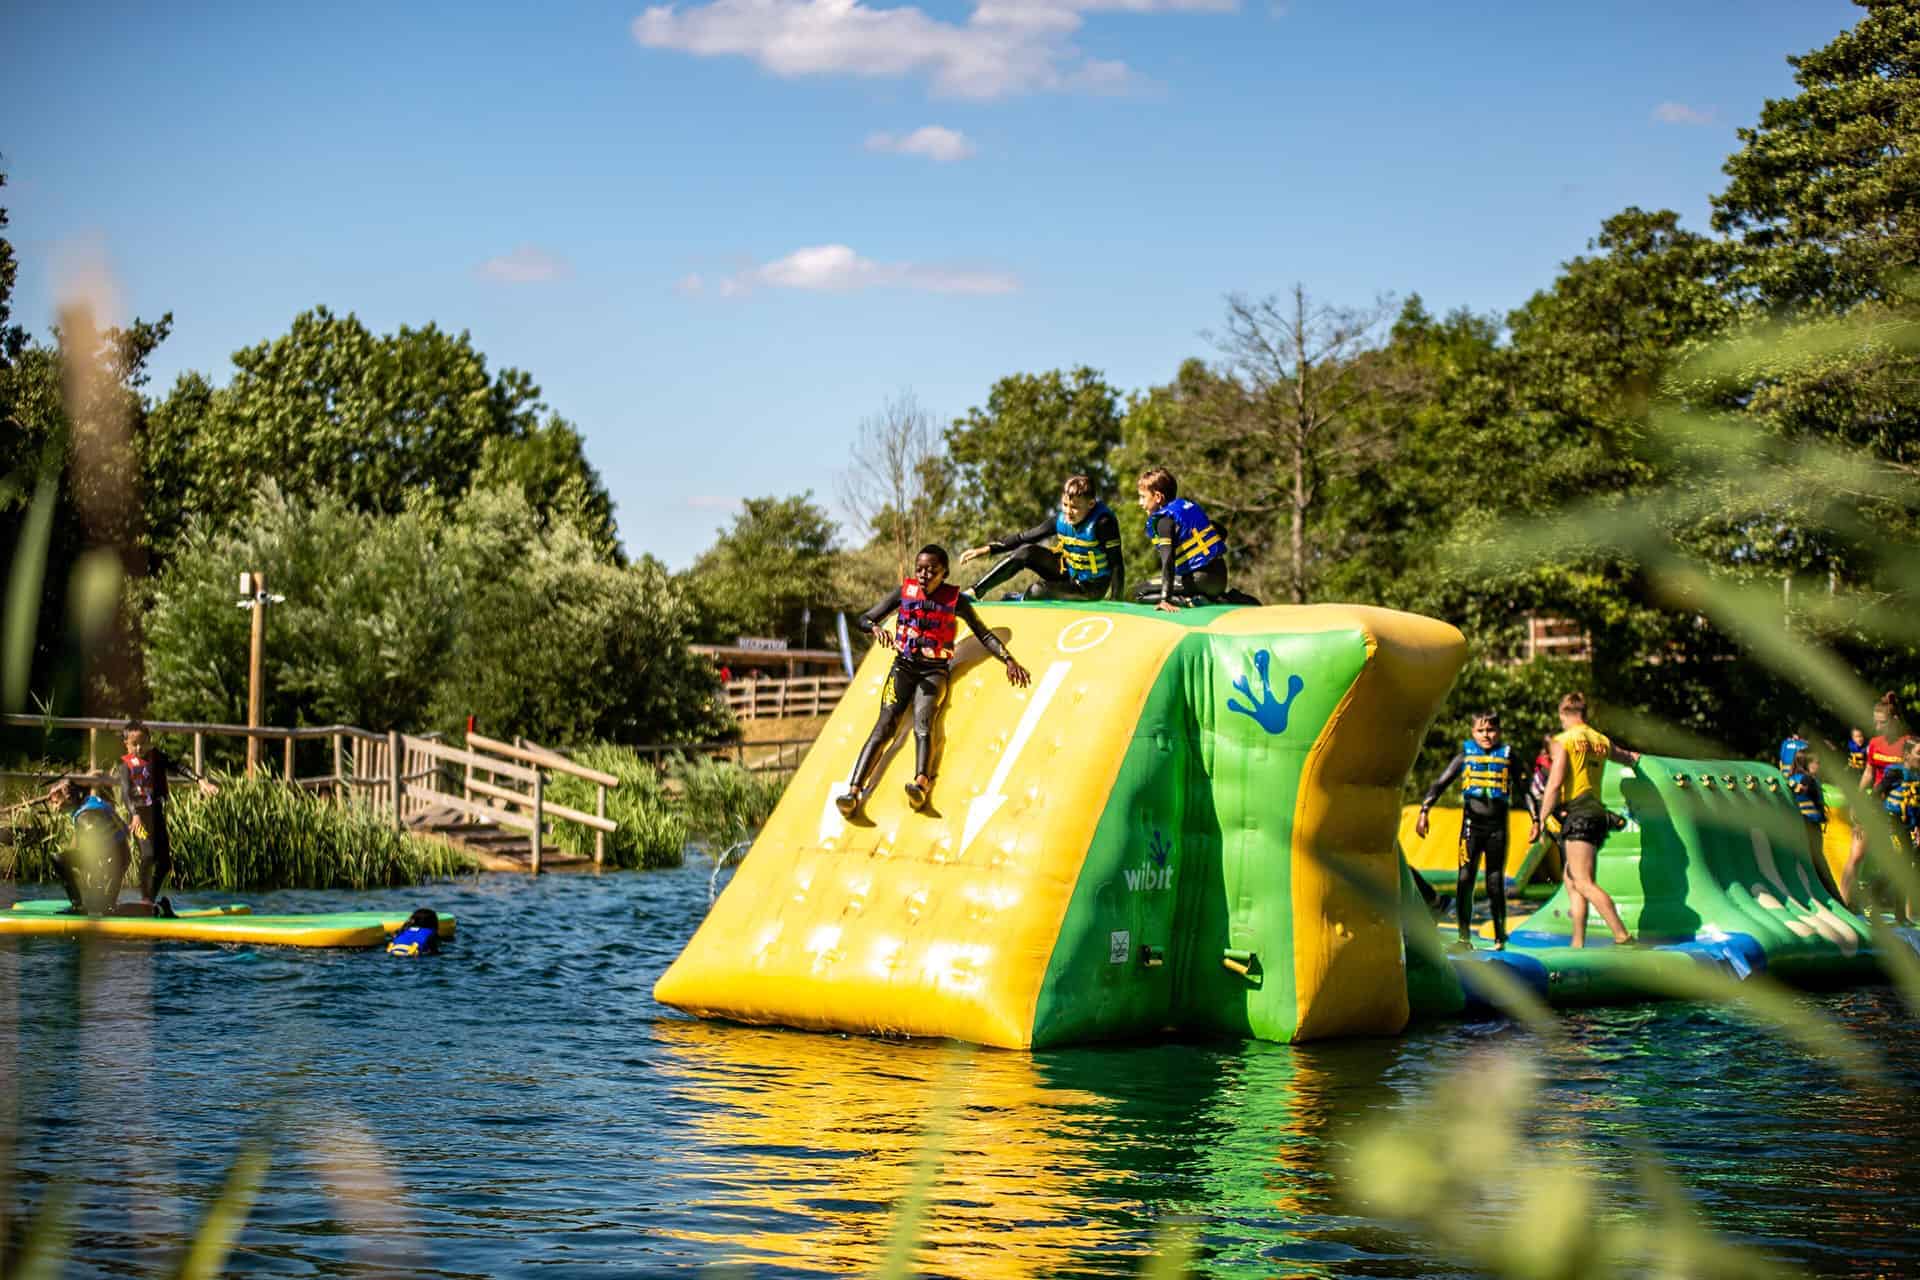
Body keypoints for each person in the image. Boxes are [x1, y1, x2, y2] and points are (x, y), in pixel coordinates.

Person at [837, 546, 1032, 816]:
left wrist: (1008, 660)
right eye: (920, 569)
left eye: (932, 570)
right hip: (903, 668)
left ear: (944, 573)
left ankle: (921, 784)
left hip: (934, 672)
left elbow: (984, 634)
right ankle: (853, 792)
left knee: (924, 723)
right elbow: (864, 618)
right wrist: (874, 628)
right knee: (884, 726)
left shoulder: (956, 601)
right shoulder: (903, 593)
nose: (924, 574)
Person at [1531, 692, 1642, 948]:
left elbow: (1555, 782)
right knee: (1572, 880)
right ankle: (1578, 942)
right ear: (1584, 714)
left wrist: (1541, 818)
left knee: (1583, 881)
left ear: (1562, 714)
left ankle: (1622, 936)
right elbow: (1626, 756)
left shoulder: (1564, 740)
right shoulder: (1599, 739)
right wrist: (1639, 759)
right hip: (1596, 814)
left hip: (1579, 813)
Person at [1415, 711, 1533, 951]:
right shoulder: (1465, 756)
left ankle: (1500, 938)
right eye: (1481, 730)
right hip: (1471, 827)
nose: (1486, 735)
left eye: (1491, 730)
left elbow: (1526, 789)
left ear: (1499, 731)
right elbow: (1440, 783)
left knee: (1494, 882)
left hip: (1497, 828)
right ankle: (1463, 938)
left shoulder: (1510, 757)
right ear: (1472, 733)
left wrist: (1537, 819)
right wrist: (1424, 810)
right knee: (1465, 879)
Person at [957, 474, 1126, 602]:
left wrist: (1115, 602)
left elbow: (1117, 564)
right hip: (1069, 573)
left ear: (1091, 504)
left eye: (1075, 507)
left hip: (1092, 587)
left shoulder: (1104, 523)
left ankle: (1021, 599)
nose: (1068, 512)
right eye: (1065, 505)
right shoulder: (1061, 520)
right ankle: (975, 592)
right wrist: (986, 549)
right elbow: (1024, 537)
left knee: (1037, 590)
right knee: (1026, 551)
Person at [111, 720, 216, 907]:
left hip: (156, 815)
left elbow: (178, 766)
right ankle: (145, 899)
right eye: (134, 744)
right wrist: (134, 814)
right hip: (139, 819)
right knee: (148, 855)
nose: (139, 748)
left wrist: (200, 781)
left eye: (143, 743)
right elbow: (126, 794)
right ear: (125, 744)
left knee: (165, 864)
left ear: (149, 740)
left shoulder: (156, 757)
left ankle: (149, 899)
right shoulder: (125, 766)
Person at [1842, 694, 1911, 910]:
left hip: (1900, 809)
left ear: (1895, 720)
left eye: (1882, 723)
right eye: (1875, 722)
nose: (1877, 727)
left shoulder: (1909, 744)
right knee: (1856, 854)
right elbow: (1869, 772)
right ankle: (1844, 904)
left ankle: (1907, 914)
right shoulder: (1874, 744)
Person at [1132, 468, 1229, 610]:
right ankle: (1214, 597)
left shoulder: (1164, 521)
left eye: (1143, 497)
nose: (1140, 503)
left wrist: (1165, 598)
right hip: (1220, 576)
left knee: (1139, 592)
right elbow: (1222, 531)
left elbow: (1168, 560)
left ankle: (1190, 600)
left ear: (1158, 497)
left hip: (1201, 580)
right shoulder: (1186, 507)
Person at [1870, 739, 1920, 924]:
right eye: (1919, 753)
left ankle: (1900, 915)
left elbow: (1916, 805)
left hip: (1907, 826)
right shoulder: (1897, 772)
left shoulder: (1917, 775)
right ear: (1907, 755)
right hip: (1891, 823)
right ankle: (1871, 897)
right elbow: (1877, 792)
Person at [1787, 752, 1843, 900]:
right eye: (1817, 763)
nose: (1820, 766)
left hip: (1802, 824)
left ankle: (1828, 895)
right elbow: (1802, 789)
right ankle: (1834, 897)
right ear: (1808, 764)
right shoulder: (1807, 779)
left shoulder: (1793, 778)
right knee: (1818, 861)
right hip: (1809, 824)